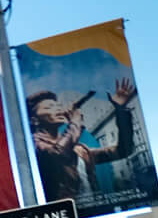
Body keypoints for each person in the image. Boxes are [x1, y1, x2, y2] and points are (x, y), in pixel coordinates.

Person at [30, 77, 138, 209]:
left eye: (58, 105)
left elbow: (123, 151)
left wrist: (120, 110)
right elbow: (58, 153)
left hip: (94, 211)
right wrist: (76, 121)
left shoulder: (79, 150)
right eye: (49, 107)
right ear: (34, 120)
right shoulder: (34, 146)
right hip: (66, 215)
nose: (58, 109)